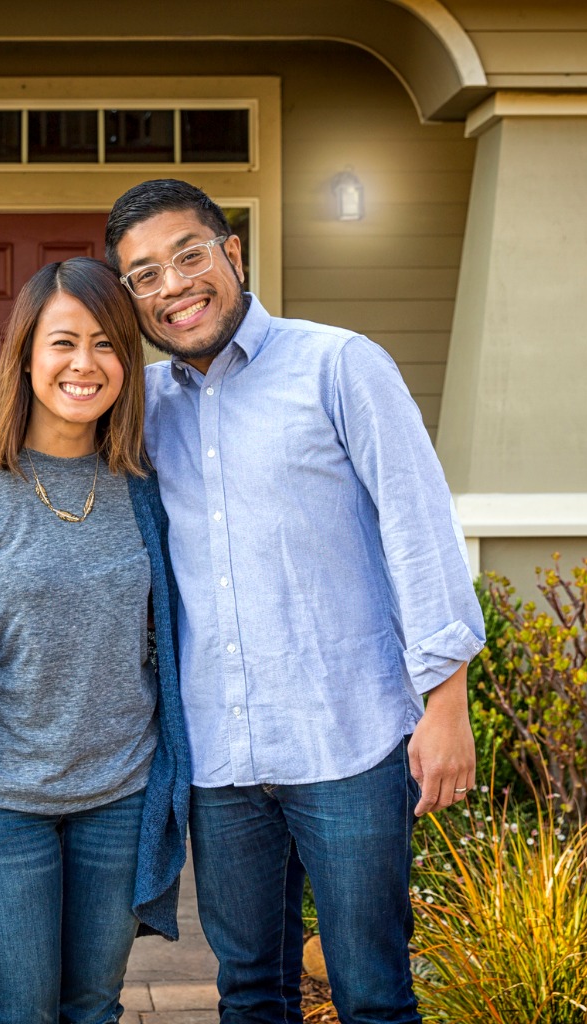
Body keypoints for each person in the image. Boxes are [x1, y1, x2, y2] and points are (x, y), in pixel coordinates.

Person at [104, 179, 486, 1024]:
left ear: (231, 254)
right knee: (248, 991)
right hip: (220, 759)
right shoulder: (142, 409)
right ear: (131, 297)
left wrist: (446, 697)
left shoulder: (339, 364)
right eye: (144, 275)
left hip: (348, 740)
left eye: (189, 255)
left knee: (374, 992)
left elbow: (419, 527)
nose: (173, 286)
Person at [0, 256, 189, 1024]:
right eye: (63, 342)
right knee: (18, 1010)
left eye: (108, 344)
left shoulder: (146, 486)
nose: (85, 364)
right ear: (24, 356)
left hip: (119, 796)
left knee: (93, 1007)